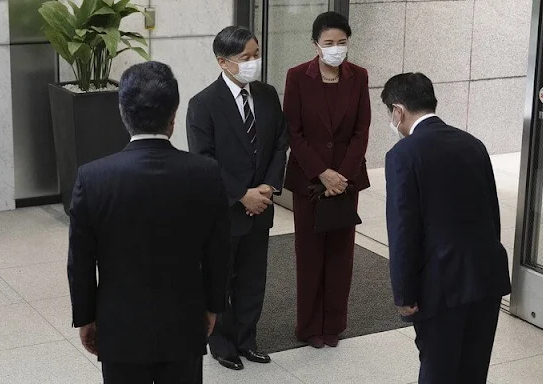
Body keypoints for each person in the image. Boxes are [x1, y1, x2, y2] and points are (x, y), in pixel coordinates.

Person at [67, 61, 231, 384]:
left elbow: (81, 262)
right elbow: (218, 251)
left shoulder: (93, 178)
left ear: (122, 113)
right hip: (184, 323)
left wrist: (85, 317)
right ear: (173, 117)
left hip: (120, 328)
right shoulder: (206, 174)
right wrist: (213, 306)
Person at [383, 72, 512, 384]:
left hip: (441, 285)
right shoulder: (473, 144)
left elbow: (403, 230)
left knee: (438, 370)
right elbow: (491, 213)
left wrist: (404, 292)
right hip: (486, 275)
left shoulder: (403, 154)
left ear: (398, 111)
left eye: (390, 113)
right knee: (473, 370)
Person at [186, 26, 288, 371]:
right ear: (223, 62)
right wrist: (241, 194)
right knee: (221, 278)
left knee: (252, 277)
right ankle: (223, 344)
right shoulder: (202, 104)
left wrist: (269, 187)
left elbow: (279, 143)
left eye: (256, 55)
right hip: (225, 209)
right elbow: (204, 158)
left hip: (261, 204)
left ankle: (248, 340)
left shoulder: (268, 94)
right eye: (245, 58)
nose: (253, 63)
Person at [283, 11, 371, 349]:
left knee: (340, 254)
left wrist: (342, 176)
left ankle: (333, 324)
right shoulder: (297, 76)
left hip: (346, 181)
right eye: (329, 43)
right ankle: (308, 327)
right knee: (309, 253)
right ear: (316, 44)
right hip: (310, 177)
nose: (336, 49)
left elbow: (362, 131)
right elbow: (294, 130)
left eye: (342, 43)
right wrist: (323, 172)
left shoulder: (359, 76)